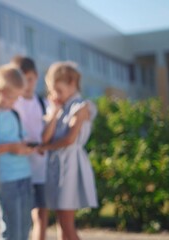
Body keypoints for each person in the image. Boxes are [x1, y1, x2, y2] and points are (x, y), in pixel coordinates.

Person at [41, 61, 98, 240]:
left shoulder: (81, 107)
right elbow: (46, 136)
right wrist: (54, 112)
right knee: (61, 222)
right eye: (52, 91)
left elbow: (69, 139)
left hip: (70, 166)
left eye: (58, 89)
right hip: (58, 166)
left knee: (66, 223)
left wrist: (44, 148)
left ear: (72, 83)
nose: (55, 95)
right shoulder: (60, 108)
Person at [0, 64, 35, 240]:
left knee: (24, 229)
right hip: (5, 180)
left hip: (24, 177)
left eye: (17, 98)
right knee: (11, 231)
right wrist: (9, 148)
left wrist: (25, 147)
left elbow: (20, 138)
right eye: (11, 97)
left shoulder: (14, 113)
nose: (14, 102)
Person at [10, 56, 49, 240]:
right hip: (20, 167)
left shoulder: (44, 104)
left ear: (37, 77)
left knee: (42, 213)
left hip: (41, 166)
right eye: (22, 79)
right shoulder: (13, 104)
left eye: (30, 79)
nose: (26, 84)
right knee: (22, 217)